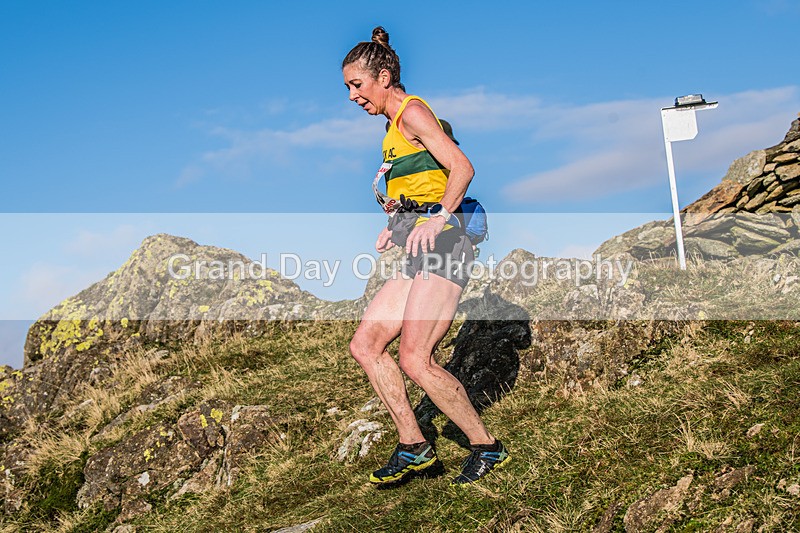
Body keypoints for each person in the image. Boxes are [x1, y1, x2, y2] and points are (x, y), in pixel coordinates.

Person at [342, 26, 510, 485]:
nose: (353, 96)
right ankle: (415, 446)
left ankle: (486, 446)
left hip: (448, 244)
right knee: (366, 345)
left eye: (357, 85)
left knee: (416, 358)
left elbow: (462, 167)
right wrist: (393, 223)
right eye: (348, 89)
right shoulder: (390, 130)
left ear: (384, 74)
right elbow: (421, 187)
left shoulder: (412, 112)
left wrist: (438, 217)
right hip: (420, 249)